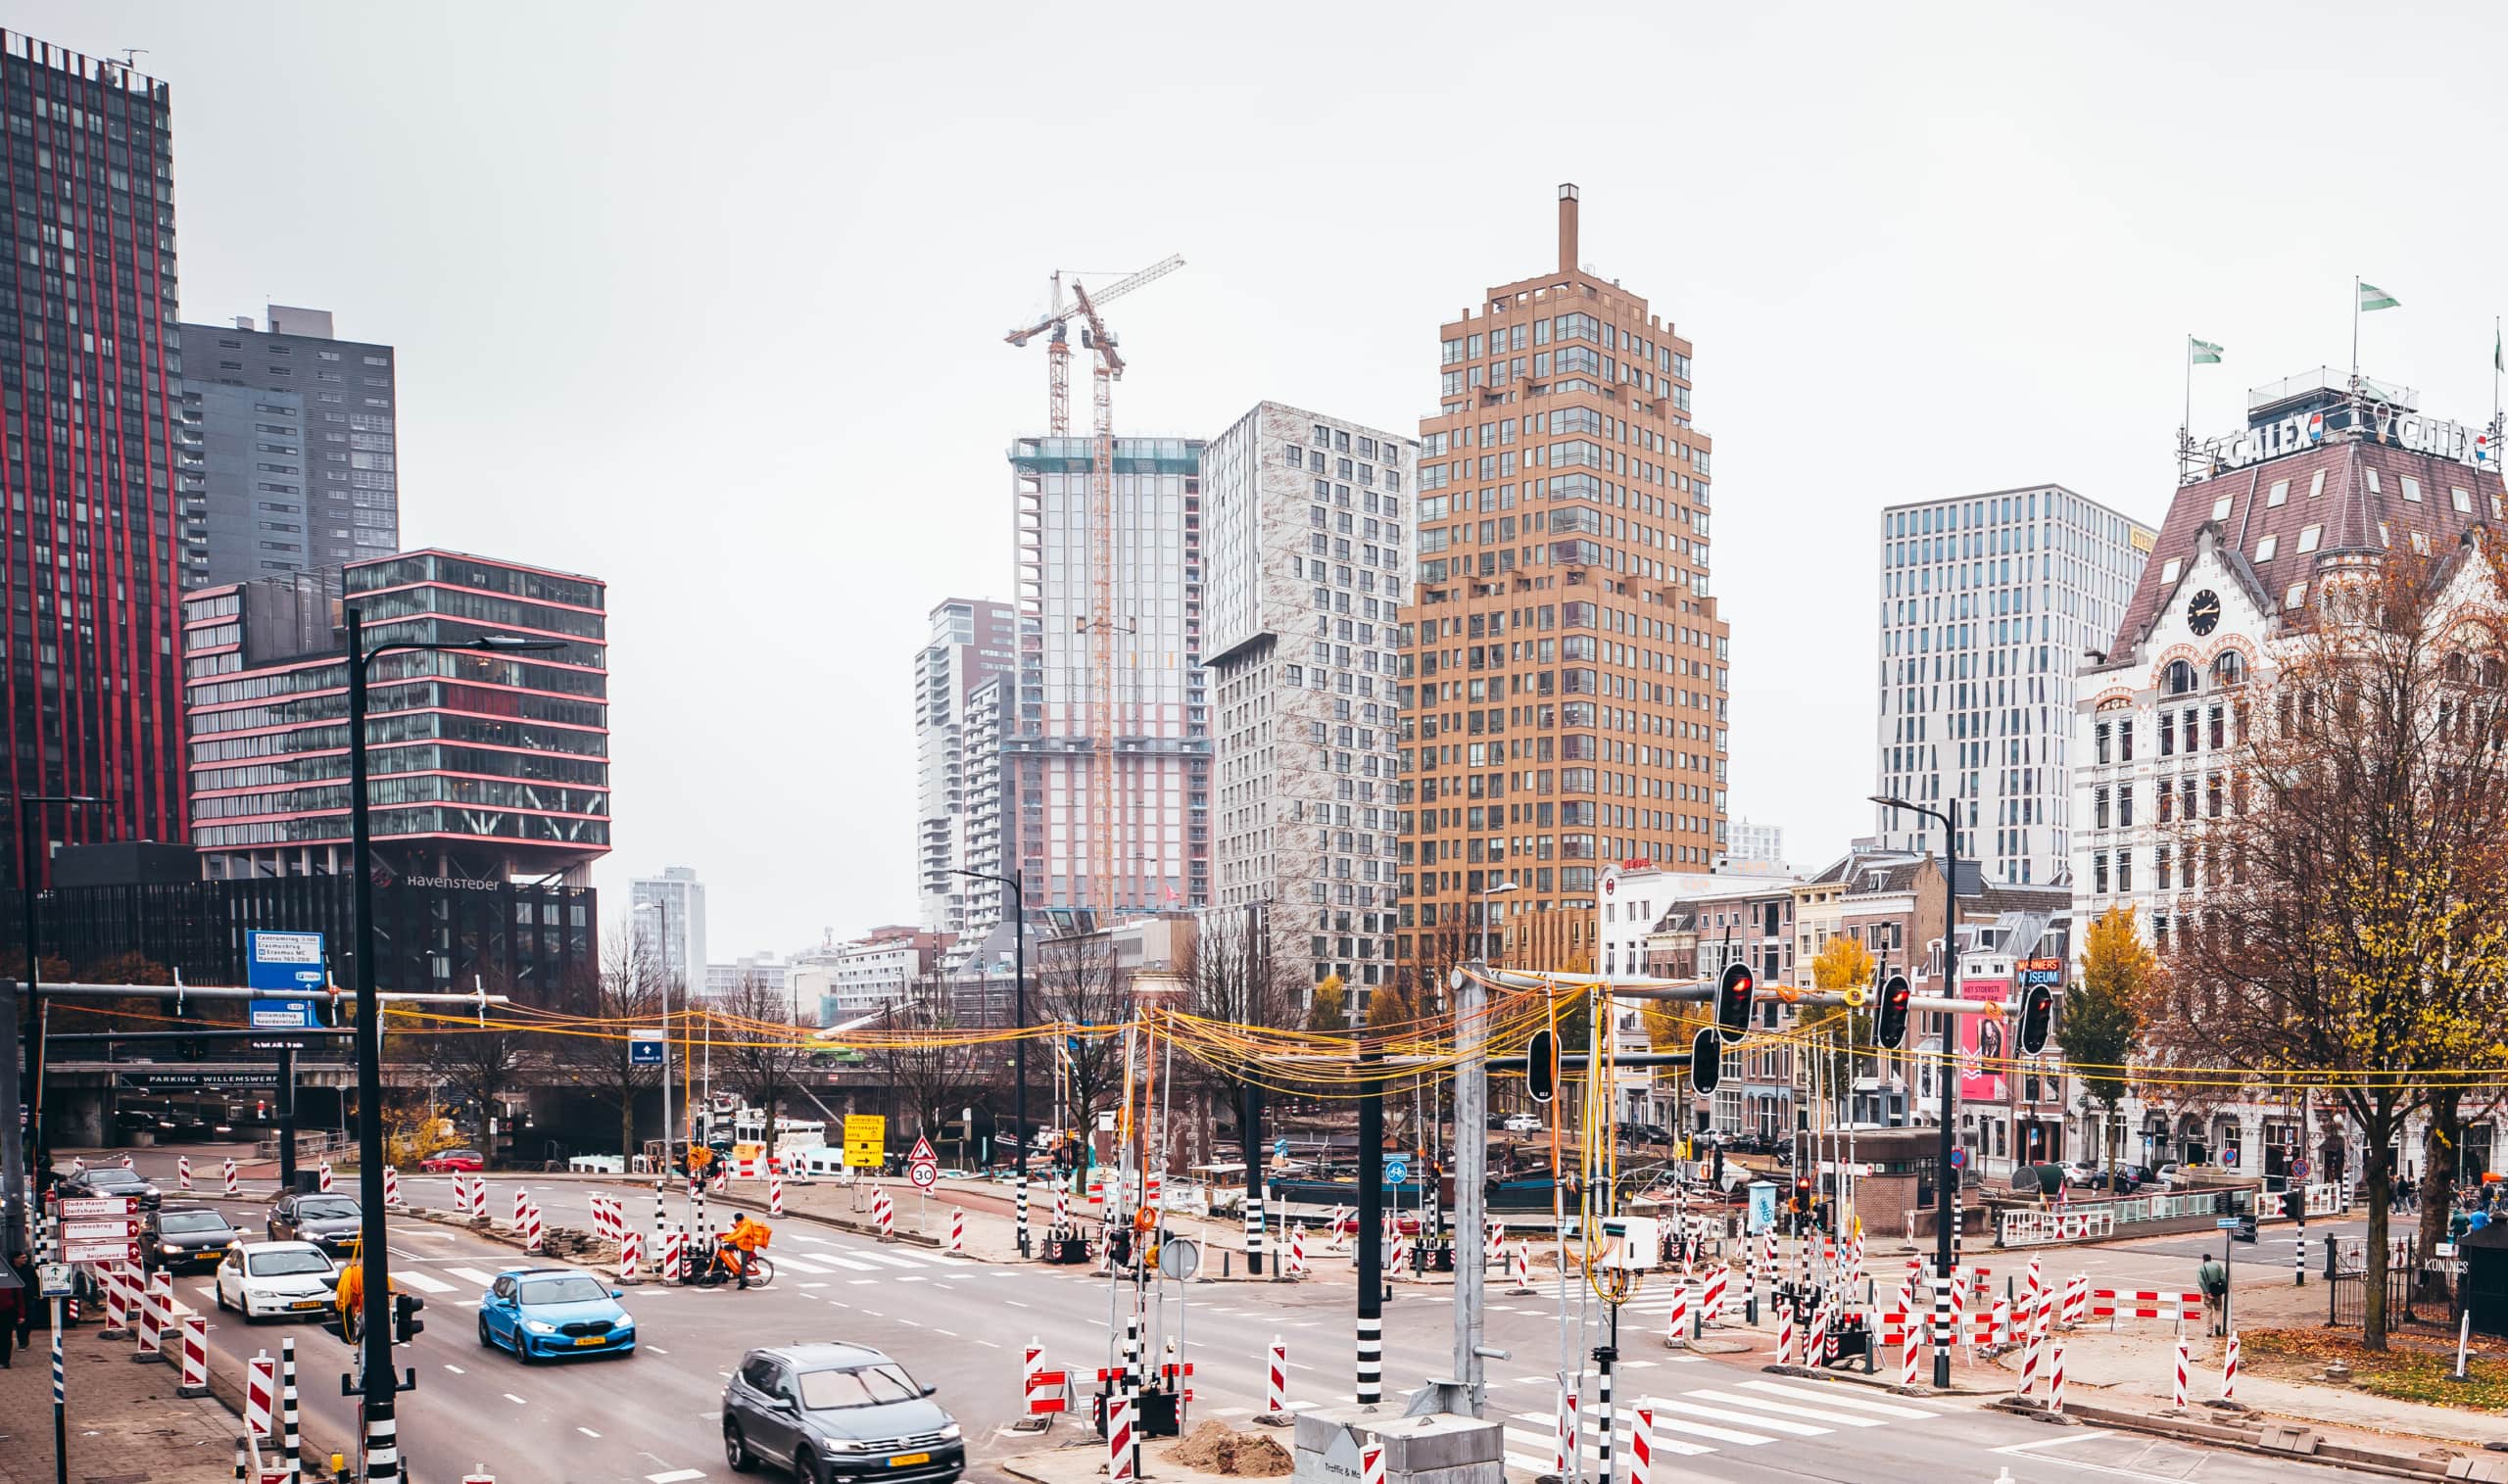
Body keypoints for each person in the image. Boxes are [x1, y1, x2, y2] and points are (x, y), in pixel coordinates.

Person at [2196, 1254, 2230, 1337]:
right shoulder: (2217, 1266)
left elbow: (2200, 1281)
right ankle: (2218, 1325)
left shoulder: (2201, 1268)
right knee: (2218, 1309)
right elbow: (2223, 1278)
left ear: (2203, 1259)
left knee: (2209, 1311)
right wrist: (2224, 1289)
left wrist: (2207, 1292)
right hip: (2217, 1292)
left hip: (2208, 1293)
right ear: (2211, 1259)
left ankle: (2209, 1331)